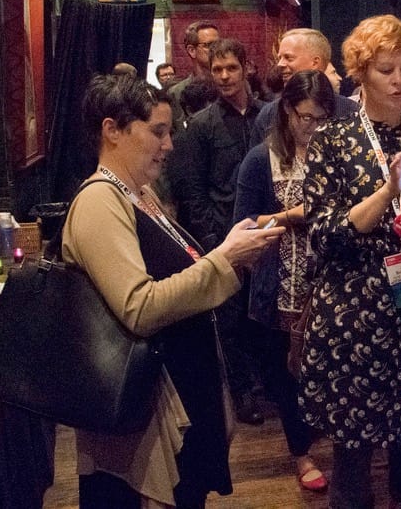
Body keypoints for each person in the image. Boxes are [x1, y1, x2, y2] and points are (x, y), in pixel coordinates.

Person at [62, 73, 282, 508]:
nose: (169, 145)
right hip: (141, 412)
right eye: (157, 132)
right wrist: (225, 259)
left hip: (176, 393)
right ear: (112, 130)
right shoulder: (99, 201)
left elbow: (178, 272)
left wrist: (227, 253)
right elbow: (140, 307)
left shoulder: (137, 193)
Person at [299, 14, 401, 509]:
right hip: (355, 313)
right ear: (360, 72)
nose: (398, 81)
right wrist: (389, 189)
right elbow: (325, 234)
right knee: (353, 452)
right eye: (385, 70)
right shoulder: (332, 140)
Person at [234, 69, 336, 494]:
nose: (313, 128)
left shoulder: (334, 153)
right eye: (305, 118)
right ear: (288, 113)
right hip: (279, 286)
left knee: (326, 371)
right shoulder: (262, 159)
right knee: (285, 375)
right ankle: (300, 453)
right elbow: (243, 224)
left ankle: (318, 440)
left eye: (321, 119)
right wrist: (291, 216)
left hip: (327, 283)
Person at [168, 37, 267, 425]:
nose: (224, 76)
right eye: (217, 70)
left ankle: (268, 386)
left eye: (231, 68)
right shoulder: (202, 126)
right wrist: (215, 243)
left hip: (269, 230)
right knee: (231, 319)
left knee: (265, 313)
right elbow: (194, 191)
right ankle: (242, 392)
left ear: (246, 68)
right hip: (227, 236)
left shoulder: (267, 115)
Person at [249, 28, 359, 143]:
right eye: (280, 58)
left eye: (288, 58)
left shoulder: (350, 113)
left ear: (315, 63)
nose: (280, 64)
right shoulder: (269, 114)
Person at [168, 21, 220, 133]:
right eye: (209, 45)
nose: (217, 50)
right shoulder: (176, 93)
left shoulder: (226, 87)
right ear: (192, 51)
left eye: (219, 44)